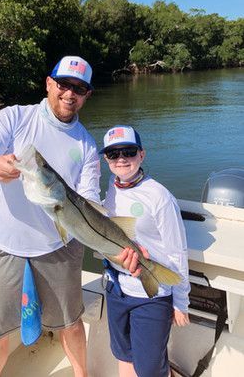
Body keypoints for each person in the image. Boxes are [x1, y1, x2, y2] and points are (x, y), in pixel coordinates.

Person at [0, 56, 139, 377]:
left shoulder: (85, 144)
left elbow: (87, 202)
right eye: (63, 84)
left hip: (61, 244)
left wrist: (118, 244)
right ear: (48, 83)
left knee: (70, 324)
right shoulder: (14, 118)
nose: (69, 94)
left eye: (79, 88)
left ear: (87, 95)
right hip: (5, 243)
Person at [99, 125, 190, 377]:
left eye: (128, 152)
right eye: (112, 154)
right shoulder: (111, 185)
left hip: (152, 294)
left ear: (142, 154)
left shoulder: (159, 197)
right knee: (123, 355)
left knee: (150, 369)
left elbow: (177, 253)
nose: (121, 159)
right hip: (116, 288)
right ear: (106, 160)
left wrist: (180, 301)